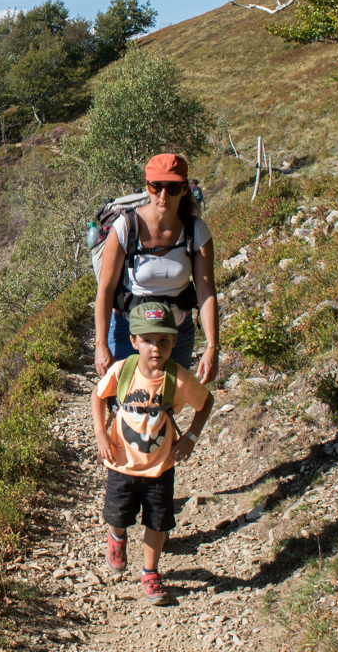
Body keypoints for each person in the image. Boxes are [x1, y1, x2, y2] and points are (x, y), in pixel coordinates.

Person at [92, 302, 214, 605]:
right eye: (147, 340)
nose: (155, 348)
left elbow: (206, 402)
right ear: (134, 341)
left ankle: (150, 572)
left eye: (163, 340)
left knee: (157, 523)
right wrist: (101, 434)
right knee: (117, 515)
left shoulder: (179, 379)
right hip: (121, 463)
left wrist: (190, 437)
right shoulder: (123, 371)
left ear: (174, 340)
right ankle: (117, 537)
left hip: (160, 467)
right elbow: (97, 395)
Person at [94, 153, 219, 385]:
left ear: (184, 189)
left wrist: (212, 346)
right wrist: (101, 344)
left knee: (168, 401)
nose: (163, 196)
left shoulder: (196, 231)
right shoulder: (126, 228)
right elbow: (105, 289)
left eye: (172, 189)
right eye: (156, 187)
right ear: (147, 186)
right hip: (129, 336)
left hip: (176, 337)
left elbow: (206, 291)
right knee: (126, 401)